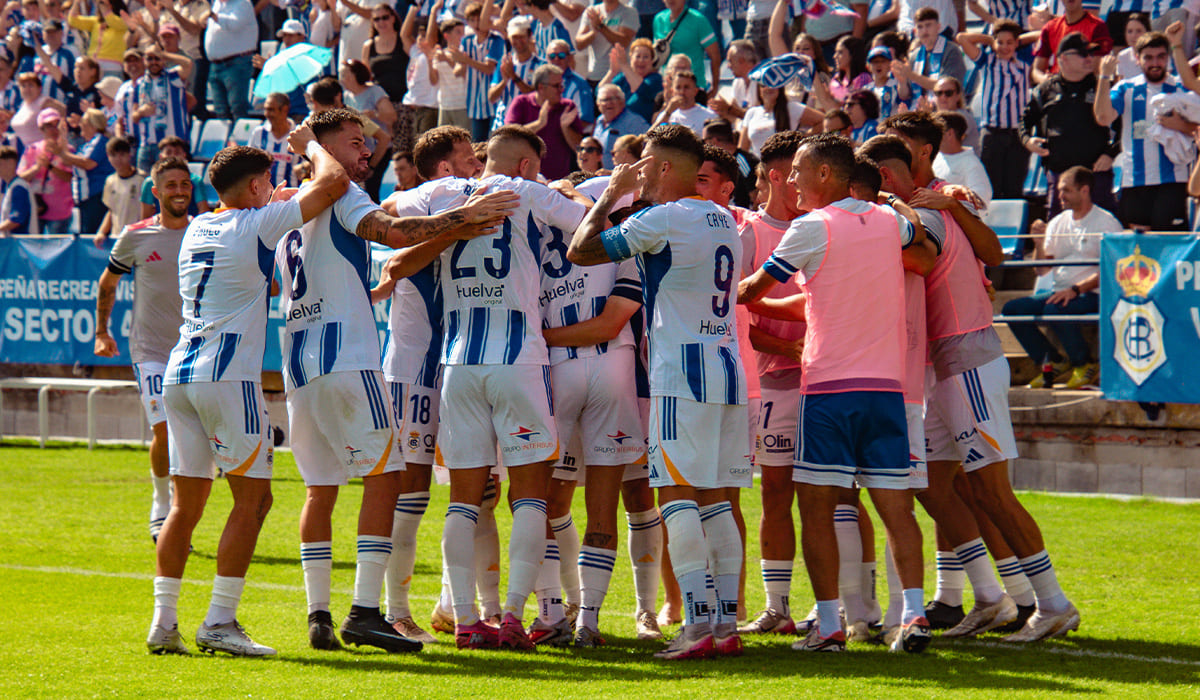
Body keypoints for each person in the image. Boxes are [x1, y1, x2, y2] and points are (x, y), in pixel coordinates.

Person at [274, 108, 517, 653]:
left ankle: (318, 614)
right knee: (390, 478)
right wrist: (463, 217)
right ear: (325, 147)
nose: (367, 153)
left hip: (298, 364)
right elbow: (397, 231)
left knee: (320, 489)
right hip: (349, 361)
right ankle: (367, 610)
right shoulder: (339, 193)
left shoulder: (287, 202)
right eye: (355, 143)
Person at [381, 125, 589, 652]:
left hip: (458, 364)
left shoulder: (448, 196)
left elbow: (394, 210)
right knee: (528, 498)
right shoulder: (529, 192)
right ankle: (516, 617)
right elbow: (588, 228)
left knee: (463, 501)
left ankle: (469, 620)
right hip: (519, 358)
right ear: (524, 166)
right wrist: (578, 193)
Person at [146, 130, 350, 657]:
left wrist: (272, 200)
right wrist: (310, 144)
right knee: (255, 498)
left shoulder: (197, 227)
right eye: (266, 184)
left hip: (179, 375)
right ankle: (219, 621)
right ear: (258, 183)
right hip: (227, 376)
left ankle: (163, 623)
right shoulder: (258, 221)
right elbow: (333, 181)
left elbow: (250, 225)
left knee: (184, 506)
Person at [890, 117, 1082, 644]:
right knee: (935, 483)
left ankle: (1049, 602)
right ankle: (991, 596)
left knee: (993, 492)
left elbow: (994, 256)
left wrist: (949, 204)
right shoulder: (917, 207)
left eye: (899, 154)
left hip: (968, 356)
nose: (891, 168)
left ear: (923, 153)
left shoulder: (940, 205)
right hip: (940, 365)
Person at [738, 132, 931, 654]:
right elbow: (914, 239)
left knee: (816, 508)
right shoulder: (889, 222)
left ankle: (827, 626)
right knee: (896, 508)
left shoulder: (810, 226)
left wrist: (727, 292)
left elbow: (757, 287)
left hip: (828, 389)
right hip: (887, 387)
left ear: (826, 174)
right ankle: (912, 615)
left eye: (799, 169)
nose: (792, 179)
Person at [568, 124, 750, 660]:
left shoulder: (663, 217)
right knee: (716, 498)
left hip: (680, 373)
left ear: (666, 167)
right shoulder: (724, 218)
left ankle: (695, 625)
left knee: (675, 494)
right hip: (726, 369)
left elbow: (582, 251)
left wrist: (606, 194)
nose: (638, 170)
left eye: (645, 162)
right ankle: (724, 624)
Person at [375, 125, 496, 643]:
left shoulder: (475, 205)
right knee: (412, 492)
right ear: (446, 168)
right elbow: (397, 262)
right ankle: (394, 610)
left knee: (480, 492)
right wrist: (453, 229)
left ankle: (454, 605)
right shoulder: (410, 204)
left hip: (461, 367)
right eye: (470, 158)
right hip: (413, 370)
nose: (479, 166)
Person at [93, 157, 191, 547]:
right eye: (171, 185)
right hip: (149, 350)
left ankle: (183, 509)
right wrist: (102, 331)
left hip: (195, 350)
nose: (180, 191)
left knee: (191, 434)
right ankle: (161, 504)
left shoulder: (205, 230)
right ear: (156, 191)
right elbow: (107, 283)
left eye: (185, 183)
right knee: (163, 429)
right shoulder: (135, 236)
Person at [734, 130, 806, 638]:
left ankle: (856, 608)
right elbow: (734, 314)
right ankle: (777, 606)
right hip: (774, 381)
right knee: (776, 493)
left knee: (838, 495)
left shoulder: (826, 225)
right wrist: (789, 348)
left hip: (828, 378)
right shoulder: (749, 234)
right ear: (778, 176)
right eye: (799, 171)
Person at [1002, 166, 1116, 389]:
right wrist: (1037, 243)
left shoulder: (1107, 222)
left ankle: (1084, 364)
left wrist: (1075, 290)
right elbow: (1043, 269)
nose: (1060, 196)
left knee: (1055, 308)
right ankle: (1054, 361)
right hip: (1061, 291)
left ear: (1084, 190)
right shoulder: (1057, 222)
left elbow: (1111, 270)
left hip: (1093, 293)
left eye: (1066, 190)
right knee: (1012, 309)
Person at [1095, 31, 1192, 230]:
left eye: (1160, 56)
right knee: (1139, 247)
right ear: (1137, 59)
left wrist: (1180, 125)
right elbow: (1103, 117)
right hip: (1135, 180)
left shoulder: (1181, 88)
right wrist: (1104, 77)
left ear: (1168, 58)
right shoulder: (1126, 88)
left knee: (1169, 245)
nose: (1155, 63)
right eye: (1148, 57)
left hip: (1173, 180)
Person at [1021, 32, 1116, 218]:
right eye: (1083, 54)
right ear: (1063, 58)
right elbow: (1023, 122)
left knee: (1103, 233)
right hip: (1060, 177)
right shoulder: (1044, 90)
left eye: (1091, 54)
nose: (1089, 58)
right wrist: (1027, 141)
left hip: (1096, 176)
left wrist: (1111, 153)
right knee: (1058, 235)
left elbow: (1122, 128)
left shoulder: (1102, 87)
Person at [958, 20, 1032, 200]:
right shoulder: (987, 61)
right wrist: (989, 39)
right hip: (993, 132)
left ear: (1016, 43)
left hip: (1018, 134)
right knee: (992, 186)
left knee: (1014, 186)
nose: (1004, 47)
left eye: (1009, 42)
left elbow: (1041, 34)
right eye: (1000, 42)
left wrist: (1020, 40)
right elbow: (962, 38)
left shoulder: (1025, 64)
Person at [504, 64, 585, 180]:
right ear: (541, 87)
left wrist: (566, 128)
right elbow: (507, 137)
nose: (561, 90)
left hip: (559, 183)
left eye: (561, 86)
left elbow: (578, 148)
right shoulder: (521, 103)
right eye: (556, 86)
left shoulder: (567, 107)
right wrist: (539, 124)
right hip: (524, 181)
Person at [130, 46, 192, 173]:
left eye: (157, 59)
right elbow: (133, 117)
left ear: (163, 60)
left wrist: (164, 54)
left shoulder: (173, 77)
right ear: (144, 61)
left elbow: (188, 64)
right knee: (145, 186)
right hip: (147, 145)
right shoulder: (140, 84)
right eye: (149, 58)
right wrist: (141, 112)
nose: (154, 62)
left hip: (172, 146)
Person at [451, 0, 506, 142]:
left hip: (493, 102)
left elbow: (489, 69)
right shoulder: (466, 41)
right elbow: (459, 69)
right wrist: (454, 61)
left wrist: (466, 61)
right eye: (471, 20)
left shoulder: (496, 40)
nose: (476, 24)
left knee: (495, 143)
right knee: (478, 145)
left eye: (478, 19)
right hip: (474, 103)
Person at [362, 4, 411, 152]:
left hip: (403, 105)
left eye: (385, 17)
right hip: (380, 108)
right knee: (384, 151)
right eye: (376, 19)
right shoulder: (369, 45)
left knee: (404, 153)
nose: (381, 22)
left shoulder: (403, 40)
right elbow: (366, 76)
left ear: (393, 18)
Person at [55, 108, 113, 233]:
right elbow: (69, 161)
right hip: (85, 198)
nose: (80, 125)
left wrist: (60, 152)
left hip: (96, 195)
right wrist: (63, 138)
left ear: (92, 125)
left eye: (83, 122)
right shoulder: (86, 145)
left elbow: (88, 163)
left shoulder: (100, 140)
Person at [17, 107, 72, 233]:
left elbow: (70, 177)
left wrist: (50, 167)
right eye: (49, 126)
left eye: (56, 125)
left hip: (60, 212)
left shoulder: (68, 150)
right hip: (36, 209)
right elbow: (21, 178)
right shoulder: (32, 149)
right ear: (41, 128)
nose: (54, 130)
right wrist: (37, 168)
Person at [1032, 0, 1112, 83]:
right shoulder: (1049, 27)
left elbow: (1096, 68)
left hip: (1084, 86)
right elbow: (1037, 70)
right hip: (1056, 85)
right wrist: (1044, 80)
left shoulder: (1098, 27)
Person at [488, 16, 544, 133]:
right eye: (514, 37)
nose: (518, 41)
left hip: (529, 126)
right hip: (502, 125)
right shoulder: (504, 63)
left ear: (529, 36)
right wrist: (504, 81)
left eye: (521, 37)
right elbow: (492, 97)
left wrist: (514, 77)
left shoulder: (540, 65)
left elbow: (536, 96)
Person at [204, 0, 257, 120]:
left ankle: (240, 138)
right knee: (220, 110)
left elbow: (234, 24)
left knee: (238, 107)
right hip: (216, 65)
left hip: (236, 63)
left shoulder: (243, 3)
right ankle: (226, 138)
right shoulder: (217, 4)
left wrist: (212, 15)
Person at [138, 136, 214, 219]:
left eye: (177, 152)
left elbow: (203, 212)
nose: (173, 156)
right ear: (160, 156)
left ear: (184, 155)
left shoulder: (196, 181)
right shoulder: (149, 183)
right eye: (168, 152)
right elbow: (145, 217)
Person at [653, 0, 720, 91]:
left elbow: (715, 56)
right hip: (668, 88)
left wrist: (715, 88)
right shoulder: (658, 20)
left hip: (694, 88)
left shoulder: (698, 20)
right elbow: (656, 57)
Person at [905, 8, 967, 101]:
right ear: (915, 31)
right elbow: (906, 95)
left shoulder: (952, 51)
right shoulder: (915, 55)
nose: (924, 30)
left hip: (947, 110)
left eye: (928, 25)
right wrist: (902, 80)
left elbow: (946, 88)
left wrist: (912, 76)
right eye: (920, 27)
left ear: (938, 27)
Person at [933, 110, 992, 207]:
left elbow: (980, 202)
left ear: (950, 134)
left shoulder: (972, 165)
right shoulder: (935, 159)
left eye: (935, 131)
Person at [575, 0, 639, 85]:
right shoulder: (591, 12)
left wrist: (601, 27)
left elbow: (623, 42)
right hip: (595, 76)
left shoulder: (629, 12)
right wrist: (594, 32)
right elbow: (579, 44)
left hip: (620, 77)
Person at [247, 92, 301, 188]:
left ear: (285, 110)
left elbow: (308, 166)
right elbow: (248, 164)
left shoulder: (298, 134)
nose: (267, 114)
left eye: (271, 110)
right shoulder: (258, 133)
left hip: (291, 198)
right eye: (265, 109)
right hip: (263, 198)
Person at [601, 39, 661, 124]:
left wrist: (624, 65)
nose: (641, 60)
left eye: (646, 57)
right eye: (638, 56)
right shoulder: (623, 77)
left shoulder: (655, 79)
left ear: (652, 61)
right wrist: (612, 72)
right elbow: (600, 92)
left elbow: (643, 90)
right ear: (631, 58)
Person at [703, 118, 758, 209]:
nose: (704, 145)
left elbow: (756, 197)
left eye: (705, 141)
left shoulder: (743, 162)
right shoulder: (720, 162)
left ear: (714, 141)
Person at [97, 137, 143, 245]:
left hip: (137, 238)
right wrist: (102, 232)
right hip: (117, 237)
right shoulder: (110, 181)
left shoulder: (142, 179)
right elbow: (111, 210)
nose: (118, 159)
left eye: (122, 154)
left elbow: (148, 211)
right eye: (113, 155)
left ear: (129, 155)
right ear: (108, 157)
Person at [592, 84, 649, 171]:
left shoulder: (634, 122)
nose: (609, 103)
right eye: (605, 100)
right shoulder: (599, 121)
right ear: (598, 104)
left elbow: (646, 152)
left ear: (623, 101)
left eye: (614, 99)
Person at [67, 0, 129, 77]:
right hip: (93, 67)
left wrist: (104, 8)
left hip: (111, 68)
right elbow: (73, 20)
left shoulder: (123, 22)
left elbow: (111, 20)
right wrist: (77, 2)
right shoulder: (96, 22)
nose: (100, 5)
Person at [544, 39, 594, 126]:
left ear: (569, 58)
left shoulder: (580, 84)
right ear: (547, 59)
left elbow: (585, 120)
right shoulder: (541, 82)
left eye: (561, 55)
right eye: (552, 56)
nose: (556, 59)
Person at [653, 70, 717, 137]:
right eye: (678, 87)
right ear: (672, 91)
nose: (682, 92)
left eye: (686, 87)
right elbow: (649, 137)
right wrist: (668, 112)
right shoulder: (666, 115)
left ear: (695, 91)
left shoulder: (709, 116)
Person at [931, 76, 979, 153]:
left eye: (948, 93)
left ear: (957, 96)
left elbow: (944, 143)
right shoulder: (934, 117)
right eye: (939, 93)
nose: (943, 97)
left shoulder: (962, 117)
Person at [0, 145, 37, 235]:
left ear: (11, 163)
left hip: (21, 245)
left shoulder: (19, 187)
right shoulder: (11, 186)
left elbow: (16, 220)